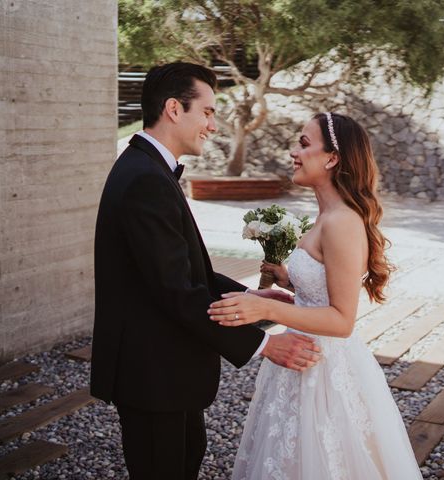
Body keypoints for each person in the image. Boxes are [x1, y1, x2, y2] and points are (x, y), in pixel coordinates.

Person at [90, 62, 321, 480]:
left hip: (167, 370)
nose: (213, 125)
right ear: (175, 109)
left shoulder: (148, 170)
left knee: (187, 459)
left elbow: (182, 268)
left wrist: (252, 299)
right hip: (152, 373)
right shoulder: (144, 179)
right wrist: (264, 346)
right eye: (209, 112)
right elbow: (176, 290)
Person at [209, 112, 423, 479]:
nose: (294, 152)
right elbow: (324, 291)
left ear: (332, 158)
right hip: (301, 358)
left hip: (325, 369)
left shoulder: (342, 222)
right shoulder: (326, 215)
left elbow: (341, 320)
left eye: (304, 144)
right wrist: (290, 284)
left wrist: (264, 308)